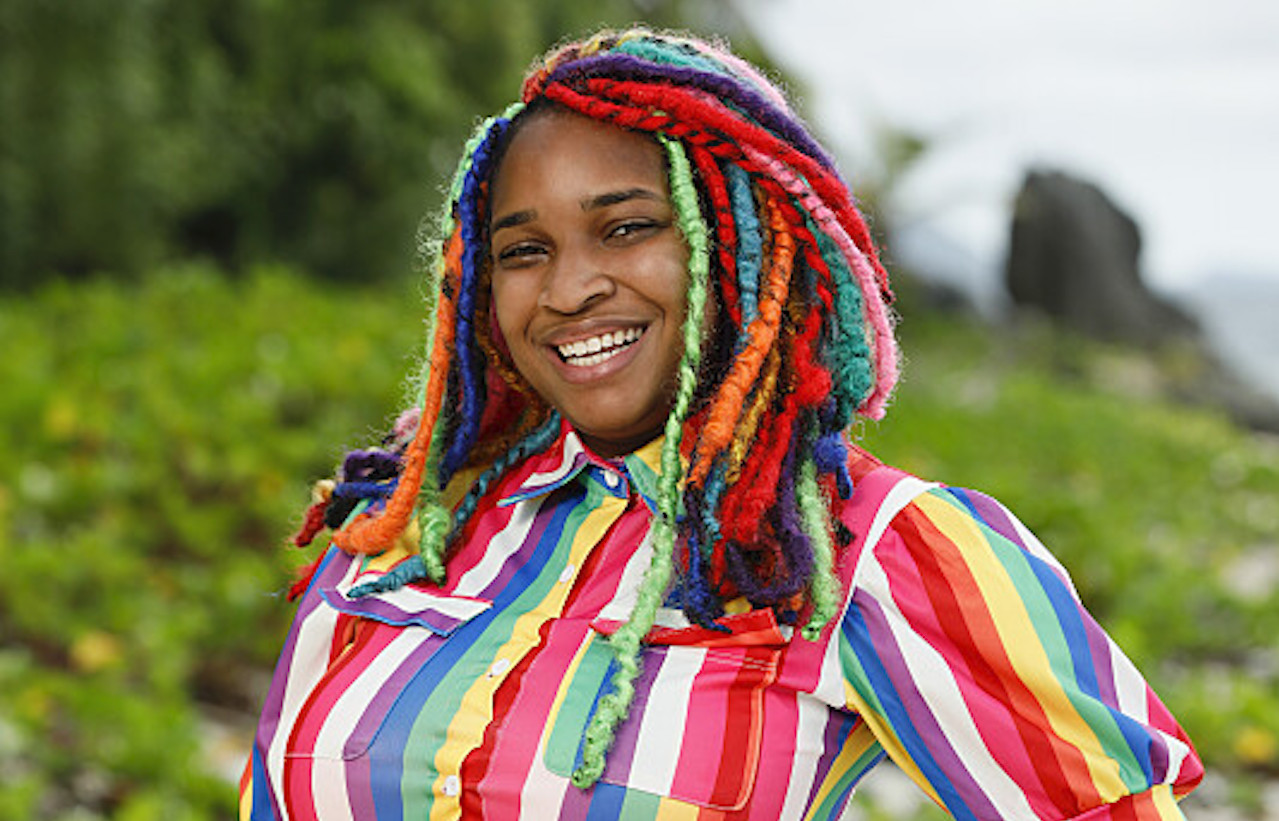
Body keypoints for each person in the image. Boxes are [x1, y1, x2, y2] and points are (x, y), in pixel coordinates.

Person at [240, 28, 1203, 820]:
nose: (570, 289)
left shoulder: (874, 549)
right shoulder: (406, 525)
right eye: (524, 250)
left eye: (627, 227)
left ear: (749, 241)